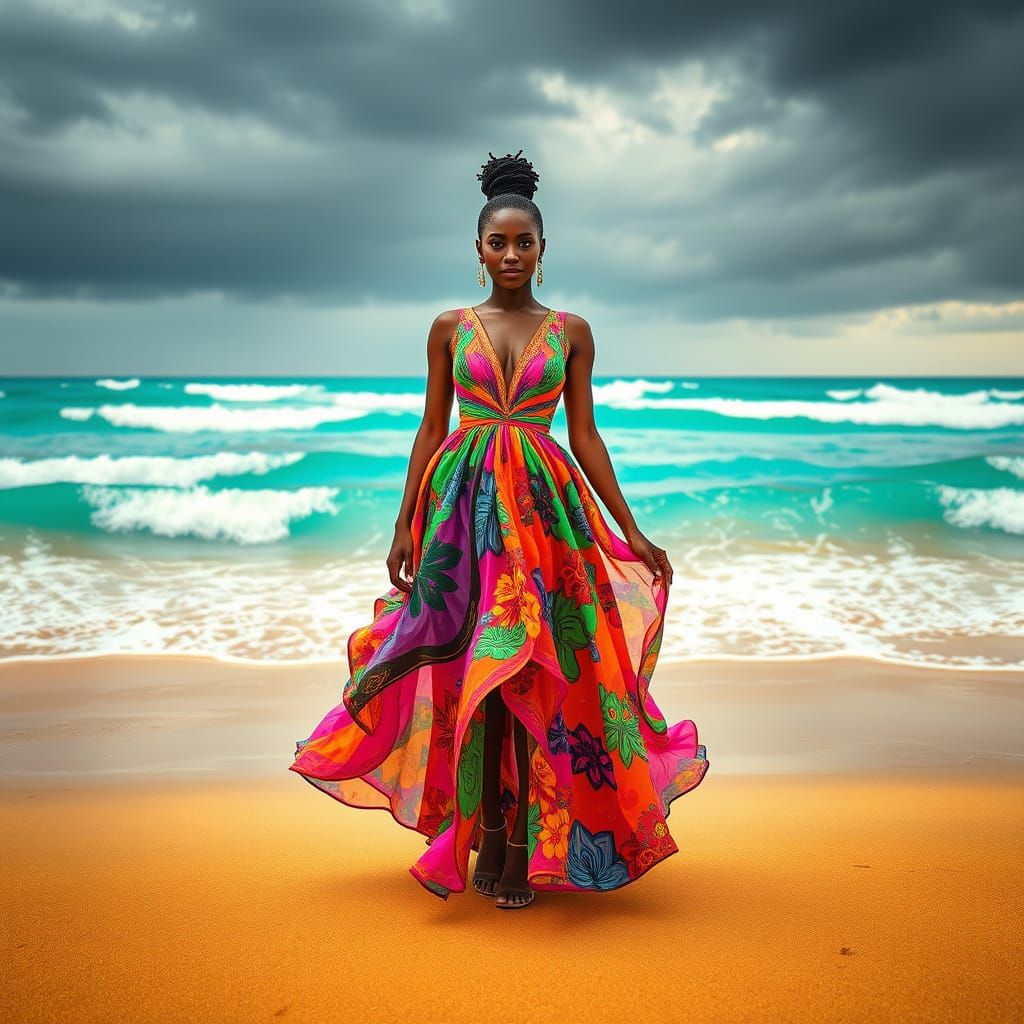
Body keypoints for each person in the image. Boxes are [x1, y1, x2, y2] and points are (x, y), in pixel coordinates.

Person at [289, 149, 708, 909]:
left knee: (529, 670)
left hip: (545, 519)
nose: (511, 254)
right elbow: (429, 429)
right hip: (463, 516)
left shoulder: (572, 332)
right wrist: (403, 523)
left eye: (525, 243)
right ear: (477, 250)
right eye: (497, 243)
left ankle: (519, 845)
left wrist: (632, 529)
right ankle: (480, 830)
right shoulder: (449, 330)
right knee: (471, 672)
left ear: (544, 252)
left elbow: (585, 438)